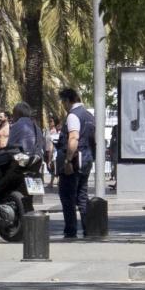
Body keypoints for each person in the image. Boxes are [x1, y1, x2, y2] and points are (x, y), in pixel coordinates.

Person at [57, 87, 96, 239]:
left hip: (74, 162)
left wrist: (67, 161)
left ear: (67, 100)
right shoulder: (89, 116)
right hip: (86, 160)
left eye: (63, 102)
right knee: (82, 196)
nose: (62, 105)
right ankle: (88, 228)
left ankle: (70, 231)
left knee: (67, 196)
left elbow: (73, 138)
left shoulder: (73, 116)